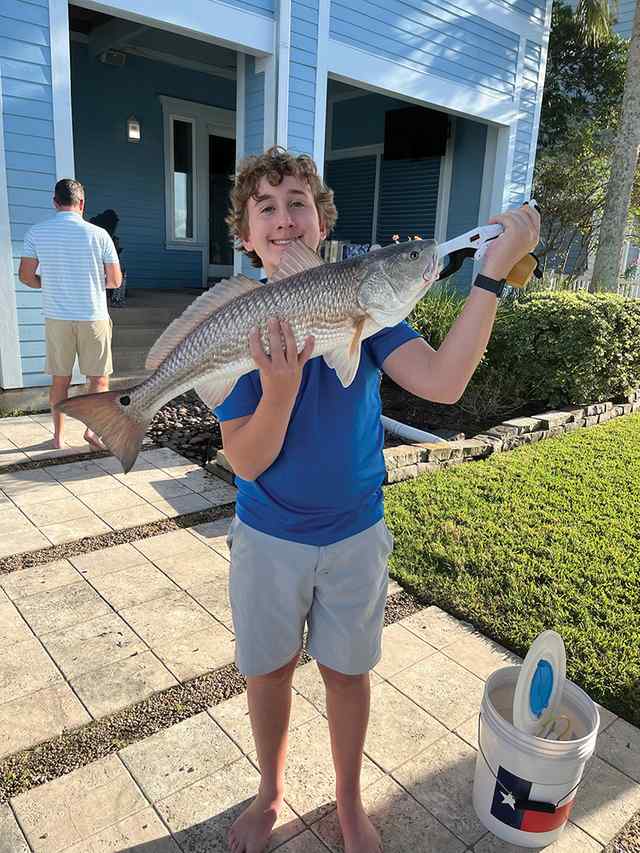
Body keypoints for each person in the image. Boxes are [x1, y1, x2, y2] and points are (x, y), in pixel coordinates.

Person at [216, 146, 540, 853]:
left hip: (356, 533)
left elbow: (445, 381)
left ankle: (348, 798)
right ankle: (269, 790)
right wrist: (279, 390)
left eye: (297, 201)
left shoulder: (370, 306)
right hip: (268, 536)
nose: (282, 216)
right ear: (245, 235)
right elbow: (243, 457)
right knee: (267, 670)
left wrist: (489, 277)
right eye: (264, 207)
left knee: (347, 672)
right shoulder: (245, 320)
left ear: (322, 222)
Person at [19, 179, 123, 450]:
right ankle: (92, 432)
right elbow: (115, 280)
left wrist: (49, 283)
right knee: (98, 379)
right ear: (82, 204)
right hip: (93, 316)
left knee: (60, 380)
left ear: (55, 202)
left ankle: (57, 437)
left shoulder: (37, 232)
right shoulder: (99, 235)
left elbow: (26, 277)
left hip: (57, 318)